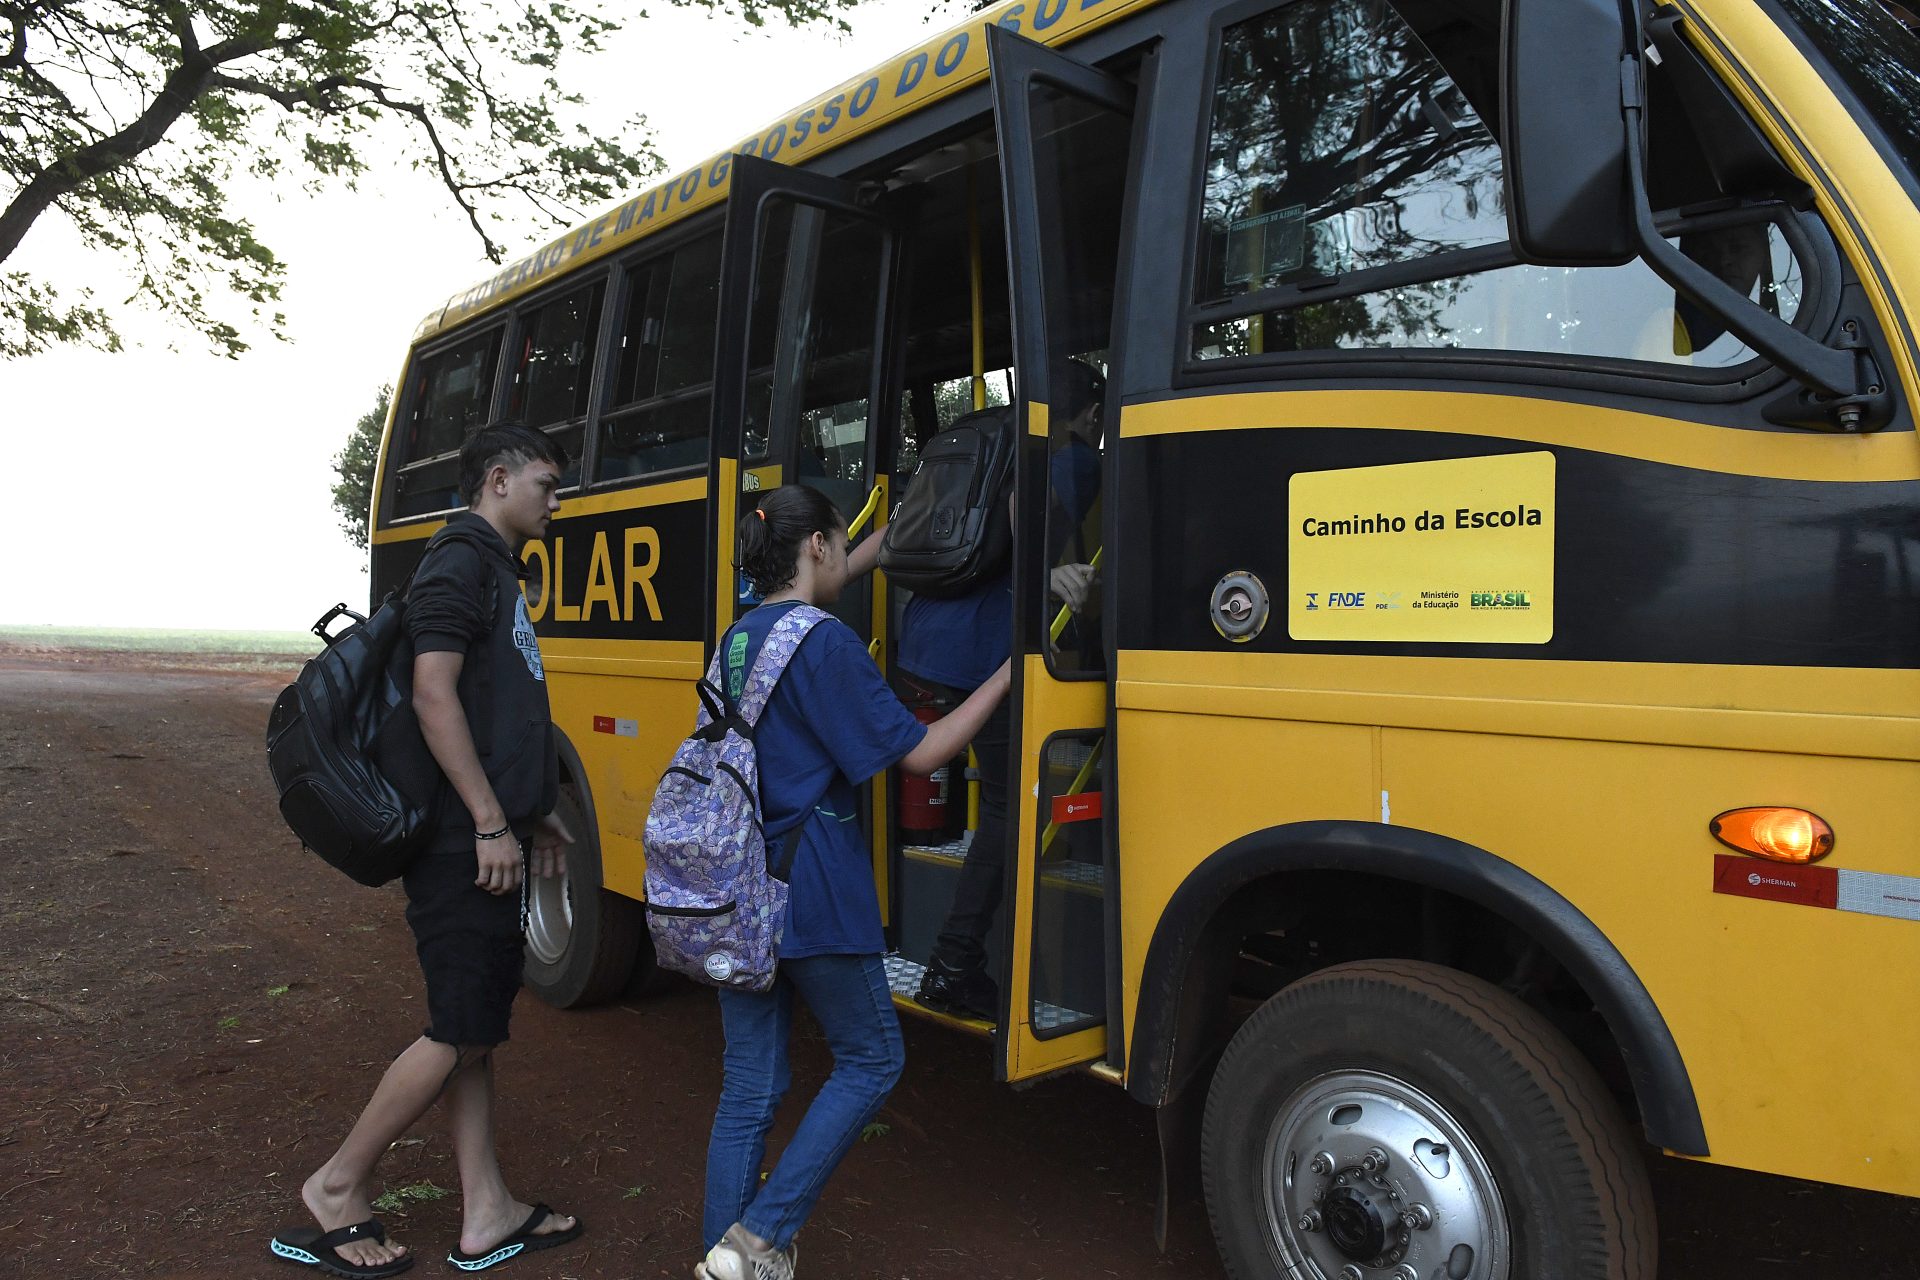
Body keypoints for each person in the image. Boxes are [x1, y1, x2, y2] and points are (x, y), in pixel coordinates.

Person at [271, 423, 583, 1278]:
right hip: (458, 845)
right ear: (497, 480)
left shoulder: (492, 568)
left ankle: (488, 1209)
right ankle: (337, 1185)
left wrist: (533, 810)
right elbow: (434, 695)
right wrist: (488, 820)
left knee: (474, 1025)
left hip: (484, 834)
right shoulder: (460, 565)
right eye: (546, 485)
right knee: (457, 1031)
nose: (555, 502)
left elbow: (496, 711)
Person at [697, 484, 1011, 1280]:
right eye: (843, 543)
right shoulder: (827, 644)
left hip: (739, 886)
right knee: (871, 1059)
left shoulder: (737, 638)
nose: (849, 556)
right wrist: (1012, 671)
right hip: (814, 885)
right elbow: (923, 752)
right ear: (816, 548)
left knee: (749, 1088)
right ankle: (761, 1236)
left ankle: (722, 1261)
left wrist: (885, 533)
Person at [905, 359, 1104, 1021]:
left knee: (999, 796)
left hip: (925, 637)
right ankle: (954, 964)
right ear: (1093, 416)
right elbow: (1027, 526)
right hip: (982, 651)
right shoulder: (1072, 458)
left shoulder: (984, 435)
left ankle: (955, 959)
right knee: (1006, 808)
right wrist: (1051, 578)